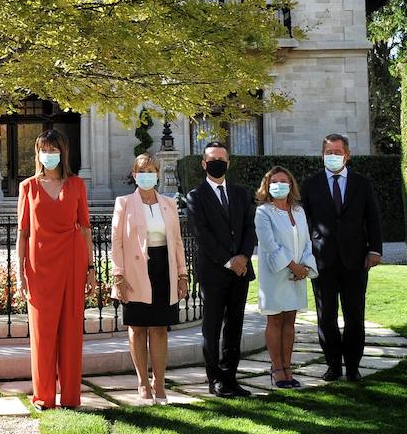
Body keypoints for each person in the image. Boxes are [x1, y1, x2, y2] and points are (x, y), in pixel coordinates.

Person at [16, 128, 95, 410]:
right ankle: (43, 396)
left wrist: (91, 268)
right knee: (42, 332)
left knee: (72, 331)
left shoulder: (77, 185)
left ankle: (71, 397)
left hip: (72, 263)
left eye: (53, 150)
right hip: (39, 267)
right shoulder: (28, 187)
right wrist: (19, 275)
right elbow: (23, 233)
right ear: (37, 153)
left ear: (63, 152)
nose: (48, 155)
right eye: (44, 150)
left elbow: (85, 228)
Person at [299, 133, 383, 383]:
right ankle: (333, 365)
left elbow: (373, 218)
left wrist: (375, 250)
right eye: (328, 153)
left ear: (347, 155)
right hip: (322, 260)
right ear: (322, 155)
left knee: (354, 315)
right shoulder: (311, 184)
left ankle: (353, 366)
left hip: (355, 260)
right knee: (326, 316)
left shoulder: (361, 183)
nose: (333, 157)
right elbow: (303, 223)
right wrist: (304, 255)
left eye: (337, 152)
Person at [110, 154, 188, 404]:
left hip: (163, 268)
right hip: (135, 271)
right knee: (138, 327)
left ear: (157, 174)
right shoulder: (124, 203)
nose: (147, 175)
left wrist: (182, 273)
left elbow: (176, 241)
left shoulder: (169, 203)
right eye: (142, 171)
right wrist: (118, 275)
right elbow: (117, 241)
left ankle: (160, 382)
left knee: (160, 328)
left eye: (152, 170)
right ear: (135, 175)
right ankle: (142, 381)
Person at [184, 141, 257, 398]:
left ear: (229, 162)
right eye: (212, 159)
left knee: (235, 326)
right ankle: (214, 379)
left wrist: (244, 257)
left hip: (240, 272)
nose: (218, 163)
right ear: (204, 164)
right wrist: (229, 260)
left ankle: (230, 377)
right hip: (214, 272)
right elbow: (202, 235)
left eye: (222, 159)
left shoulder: (240, 193)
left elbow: (250, 228)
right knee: (212, 327)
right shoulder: (195, 196)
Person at [254, 166, 318, 389]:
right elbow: (270, 244)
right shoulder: (263, 212)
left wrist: (305, 267)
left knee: (290, 319)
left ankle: (288, 367)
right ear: (267, 185)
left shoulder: (299, 211)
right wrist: (292, 266)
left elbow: (307, 241)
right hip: (275, 274)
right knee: (276, 319)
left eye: (284, 181)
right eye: (274, 181)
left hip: (297, 275)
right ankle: (276, 367)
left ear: (291, 185)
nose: (279, 185)